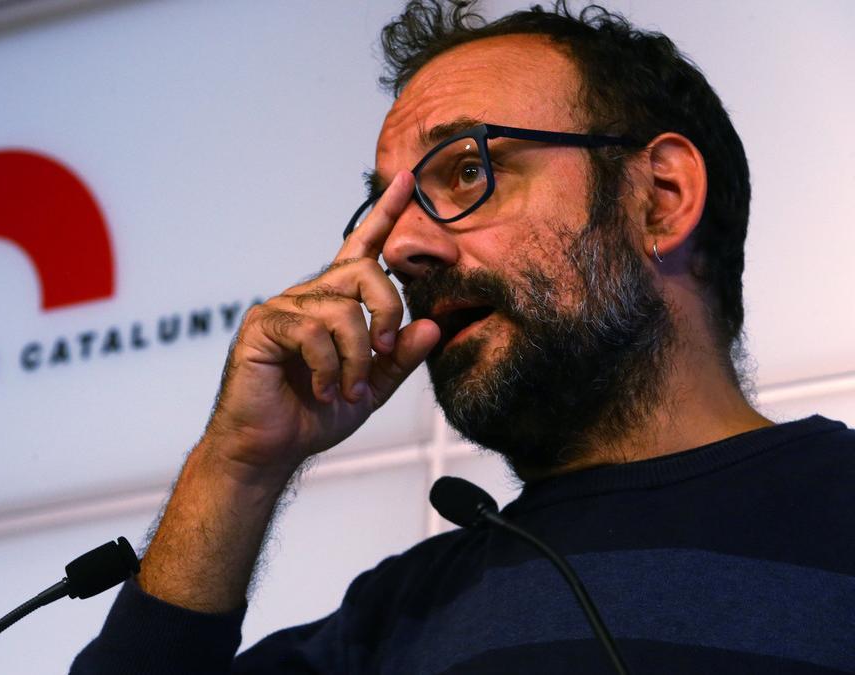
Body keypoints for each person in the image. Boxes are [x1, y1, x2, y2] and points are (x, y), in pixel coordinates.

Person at [73, 1, 855, 672]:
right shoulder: (392, 619)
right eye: (389, 205)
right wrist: (236, 466)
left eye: (467, 171)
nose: (404, 247)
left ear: (660, 199)